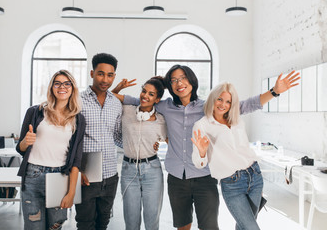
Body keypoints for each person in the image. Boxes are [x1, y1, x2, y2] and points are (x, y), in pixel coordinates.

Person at [118, 65, 300, 230]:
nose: (179, 83)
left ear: (192, 81)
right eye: (173, 80)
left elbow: (243, 106)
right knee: (183, 226)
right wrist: (156, 84)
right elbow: (136, 100)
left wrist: (274, 92)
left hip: (205, 177)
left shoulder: (208, 106)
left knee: (210, 226)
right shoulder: (164, 106)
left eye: (182, 78)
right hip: (176, 179)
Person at [191, 82, 267, 229]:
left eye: (228, 101)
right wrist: (202, 151)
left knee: (243, 226)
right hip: (232, 183)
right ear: (212, 98)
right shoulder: (202, 125)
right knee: (251, 227)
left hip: (255, 175)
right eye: (220, 99)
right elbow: (198, 163)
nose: (223, 105)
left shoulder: (236, 119)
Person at [16, 70, 86, 230]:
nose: (62, 87)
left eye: (67, 83)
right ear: (52, 87)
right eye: (58, 83)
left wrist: (71, 193)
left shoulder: (78, 119)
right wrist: (26, 142)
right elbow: (20, 148)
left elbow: (76, 159)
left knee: (55, 227)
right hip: (33, 176)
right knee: (33, 227)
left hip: (60, 177)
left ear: (73, 88)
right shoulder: (35, 112)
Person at [75, 53, 123, 230]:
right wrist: (76, 170)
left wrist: (144, 144)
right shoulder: (77, 101)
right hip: (85, 175)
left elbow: (117, 137)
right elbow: (70, 138)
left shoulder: (115, 104)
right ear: (92, 73)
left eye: (110, 75)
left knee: (103, 223)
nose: (105, 79)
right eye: (101, 73)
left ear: (114, 76)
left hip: (110, 175)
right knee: (85, 224)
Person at [113, 76, 167, 230]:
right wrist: (119, 88)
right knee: (131, 221)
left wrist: (157, 143)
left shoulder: (161, 120)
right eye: (144, 91)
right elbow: (109, 97)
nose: (145, 96)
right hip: (128, 170)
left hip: (153, 170)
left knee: (152, 220)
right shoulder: (127, 110)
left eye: (151, 94)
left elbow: (171, 140)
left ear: (157, 100)